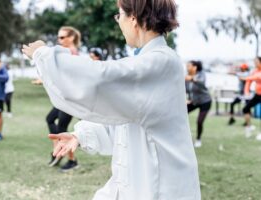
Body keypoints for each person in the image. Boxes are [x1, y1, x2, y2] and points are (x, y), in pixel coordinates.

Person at [22, 0, 201, 199]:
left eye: (119, 15)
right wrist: (79, 135)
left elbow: (100, 78)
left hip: (160, 185)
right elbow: (125, 118)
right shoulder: (148, 61)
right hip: (137, 180)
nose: (118, 22)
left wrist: (43, 55)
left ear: (133, 18)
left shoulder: (161, 61)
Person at [46, 26, 81, 171]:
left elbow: (71, 78)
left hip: (69, 100)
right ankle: (58, 150)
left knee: (62, 129)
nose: (59, 40)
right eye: (58, 37)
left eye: (62, 37)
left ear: (71, 38)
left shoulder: (72, 55)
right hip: (63, 99)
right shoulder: (68, 54)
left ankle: (72, 161)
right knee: (49, 119)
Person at [185, 61, 212, 148]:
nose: (187, 67)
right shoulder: (186, 77)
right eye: (186, 66)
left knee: (199, 121)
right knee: (180, 114)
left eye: (189, 66)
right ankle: (183, 137)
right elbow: (186, 90)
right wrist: (187, 99)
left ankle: (198, 139)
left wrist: (192, 79)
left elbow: (201, 83)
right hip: (194, 101)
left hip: (205, 101)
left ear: (195, 67)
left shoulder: (201, 74)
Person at [242, 57, 261, 139]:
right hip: (258, 94)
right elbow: (249, 81)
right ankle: (249, 126)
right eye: (254, 62)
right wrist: (246, 91)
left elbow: (257, 77)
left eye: (256, 61)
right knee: (245, 109)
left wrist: (245, 78)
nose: (255, 63)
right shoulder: (255, 71)